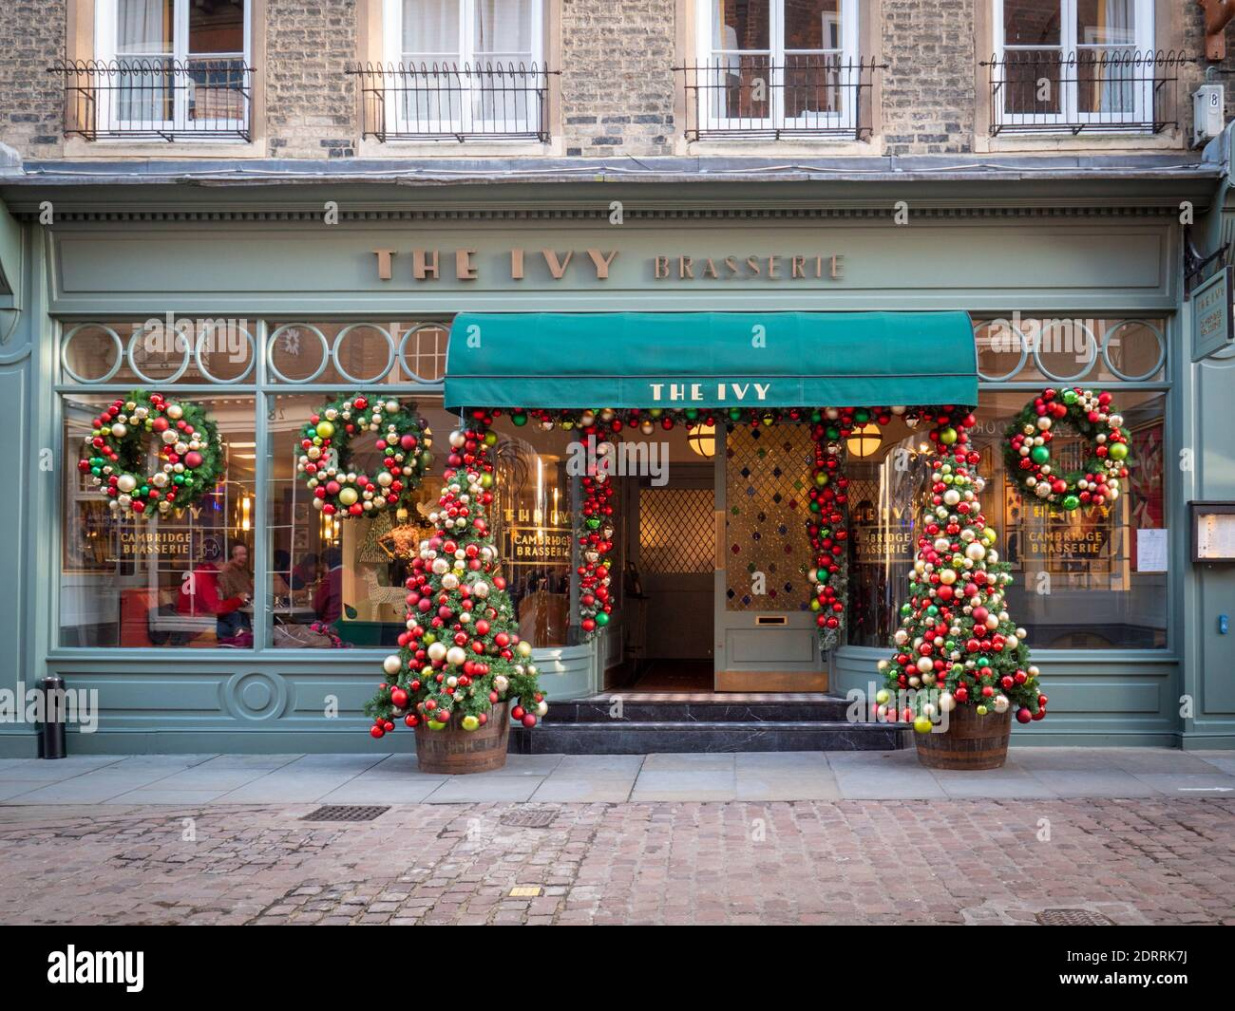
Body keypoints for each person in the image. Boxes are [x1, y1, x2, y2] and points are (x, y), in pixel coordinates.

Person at [216, 541, 254, 639]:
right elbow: (225, 596)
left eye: (245, 554)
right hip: (231, 613)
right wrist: (242, 598)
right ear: (232, 557)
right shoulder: (225, 573)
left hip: (244, 609)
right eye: (241, 555)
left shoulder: (244, 571)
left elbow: (250, 590)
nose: (244, 557)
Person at [314, 547, 344, 624]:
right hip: (350, 624)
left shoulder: (329, 578)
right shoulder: (352, 575)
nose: (323, 570)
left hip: (332, 624)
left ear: (325, 564)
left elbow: (317, 605)